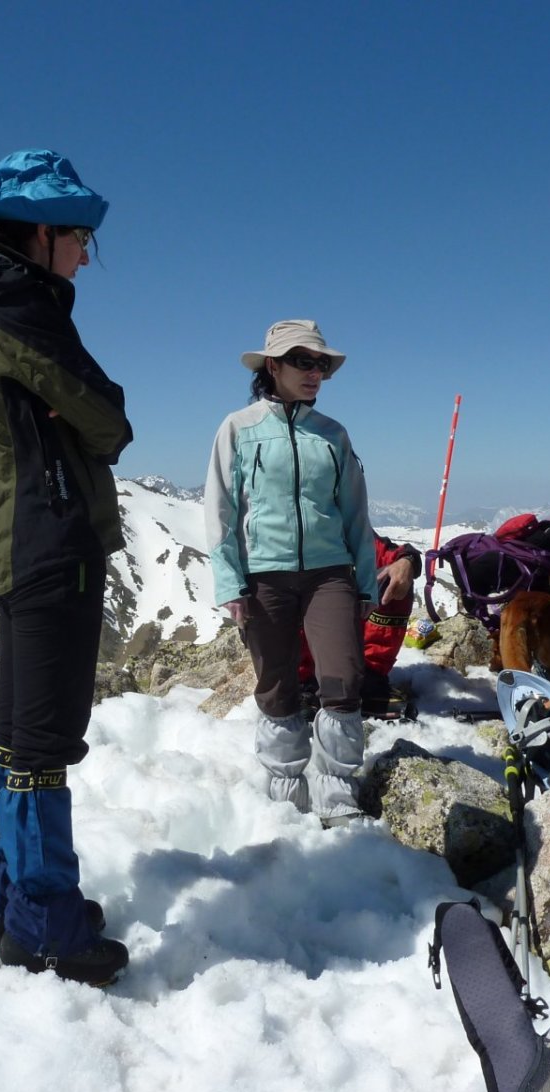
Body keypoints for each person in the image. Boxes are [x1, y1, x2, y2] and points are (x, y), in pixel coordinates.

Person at [0, 149, 131, 986]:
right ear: (40, 232)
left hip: (18, 544)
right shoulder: (23, 308)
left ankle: (8, 898)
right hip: (51, 541)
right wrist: (82, 414)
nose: (86, 253)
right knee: (44, 743)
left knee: (18, 734)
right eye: (79, 235)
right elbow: (110, 419)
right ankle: (45, 927)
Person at [205, 320, 379, 825]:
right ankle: (286, 793)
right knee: (276, 683)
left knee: (342, 677)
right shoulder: (238, 428)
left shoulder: (332, 434)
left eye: (321, 364)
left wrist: (365, 581)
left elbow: (355, 512)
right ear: (272, 366)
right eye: (304, 361)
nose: (315, 372)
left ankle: (336, 791)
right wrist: (229, 581)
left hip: (330, 572)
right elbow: (219, 508)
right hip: (264, 574)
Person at [299, 533, 422, 718]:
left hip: (353, 651)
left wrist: (406, 562)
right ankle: (301, 684)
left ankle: (369, 681)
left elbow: (394, 553)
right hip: (306, 652)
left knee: (395, 577)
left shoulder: (355, 533)